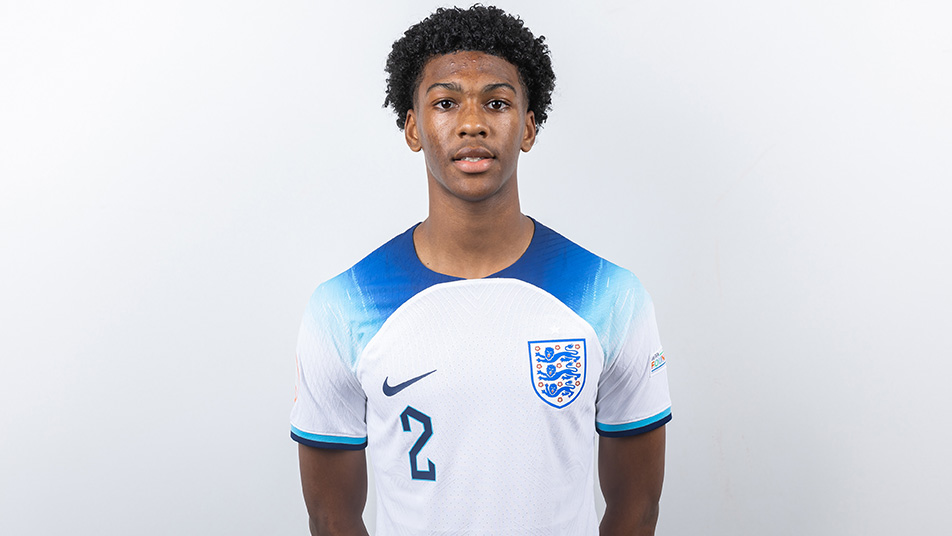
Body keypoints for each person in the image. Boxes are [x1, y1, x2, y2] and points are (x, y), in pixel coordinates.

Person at [290, 5, 671, 535]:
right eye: (446, 103)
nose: (472, 123)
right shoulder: (342, 306)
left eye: (497, 102)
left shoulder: (612, 296)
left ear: (528, 127)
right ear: (413, 127)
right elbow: (331, 517)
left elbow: (637, 507)